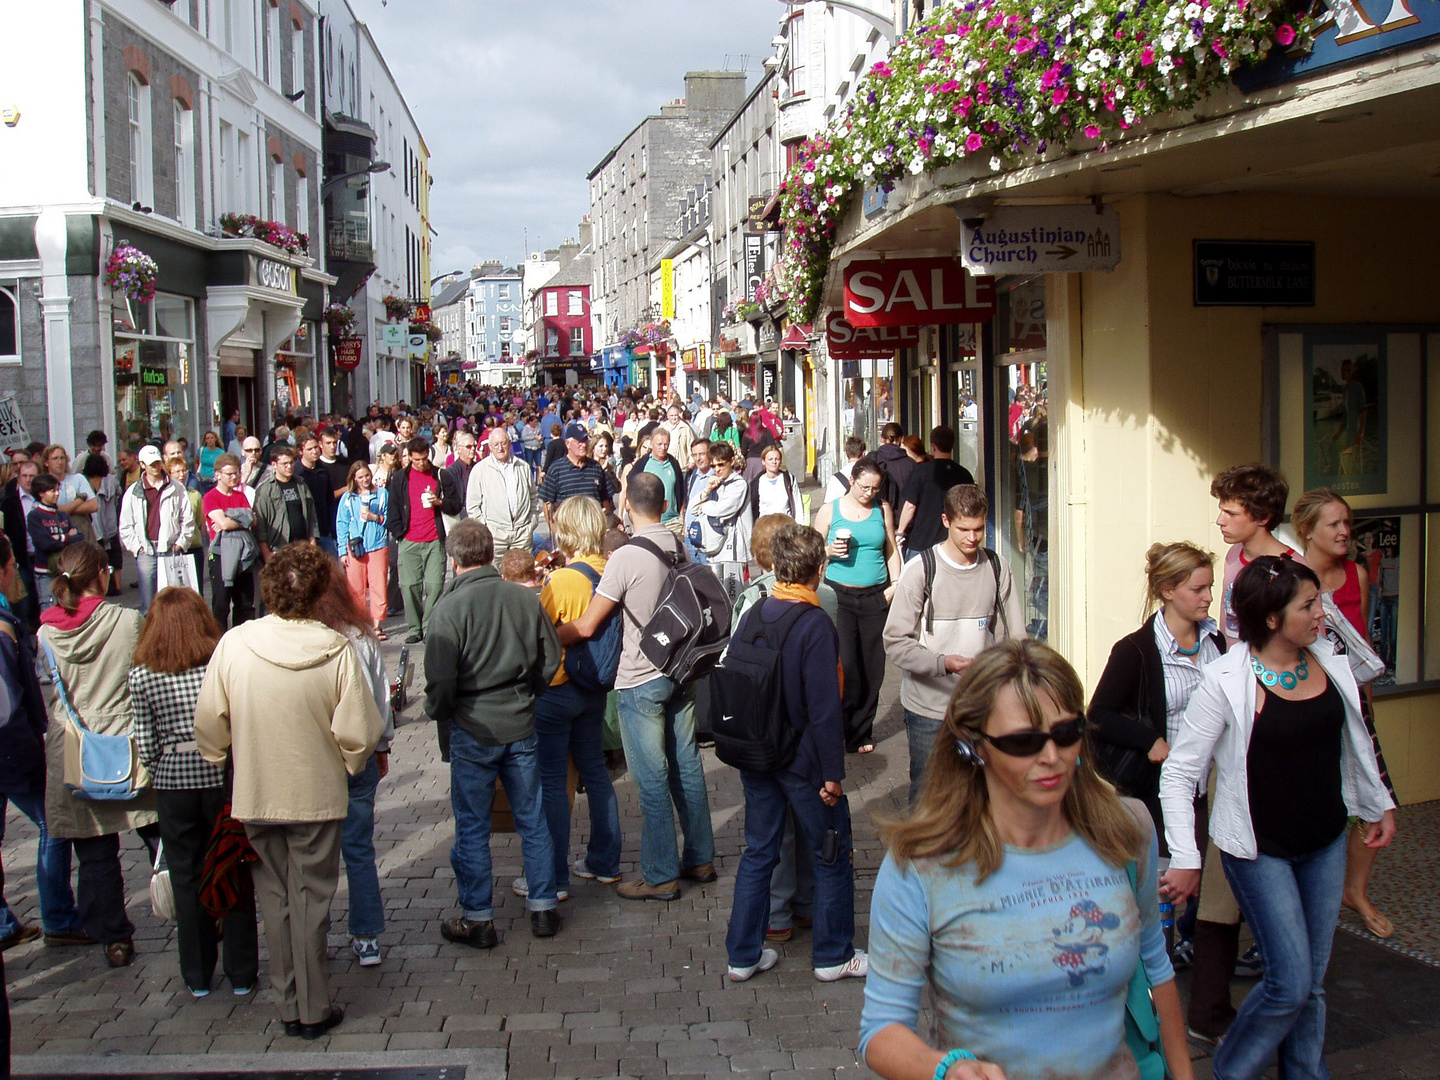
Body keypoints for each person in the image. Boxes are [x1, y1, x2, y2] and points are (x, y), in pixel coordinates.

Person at [860, 640, 1193, 1080]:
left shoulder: (1125, 830)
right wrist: (946, 1069)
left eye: (1066, 733)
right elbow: (881, 1031)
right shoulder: (919, 866)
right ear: (974, 746)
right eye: (1024, 742)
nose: (1051, 757)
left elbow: (1155, 961)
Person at [1160, 556, 1395, 1080]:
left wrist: (1378, 803)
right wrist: (1185, 855)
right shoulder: (1225, 679)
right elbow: (1179, 775)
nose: (1321, 613)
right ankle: (1232, 1070)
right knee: (1288, 982)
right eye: (1308, 604)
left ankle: (1306, 1074)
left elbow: (1356, 739)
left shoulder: (1331, 659)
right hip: (1259, 850)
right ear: (1270, 618)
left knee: (1309, 984)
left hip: (1326, 842)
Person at [195, 542, 384, 1039]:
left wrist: (223, 759)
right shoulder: (336, 648)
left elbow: (209, 726)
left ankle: (288, 1001)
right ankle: (314, 1005)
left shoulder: (235, 643)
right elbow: (359, 734)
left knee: (275, 900)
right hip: (317, 795)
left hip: (258, 793)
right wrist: (346, 762)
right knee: (311, 901)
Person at [558, 472, 716, 902]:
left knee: (651, 777)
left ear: (627, 504)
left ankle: (660, 873)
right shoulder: (678, 545)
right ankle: (700, 857)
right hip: (680, 670)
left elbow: (589, 624)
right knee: (686, 765)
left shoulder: (626, 556)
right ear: (664, 505)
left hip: (641, 677)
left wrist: (549, 635)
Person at [723, 523, 866, 984]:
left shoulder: (755, 612)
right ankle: (832, 954)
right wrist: (833, 774)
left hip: (759, 755)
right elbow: (824, 709)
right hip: (802, 762)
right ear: (820, 570)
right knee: (830, 852)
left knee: (759, 851)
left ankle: (742, 955)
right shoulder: (816, 623)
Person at [423, 521, 563, 948]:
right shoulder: (522, 598)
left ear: (454, 560)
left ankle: (478, 917)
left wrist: (443, 711)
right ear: (489, 554)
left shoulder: (449, 608)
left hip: (472, 724)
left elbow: (440, 682)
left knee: (471, 824)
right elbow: (550, 655)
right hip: (519, 720)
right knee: (531, 817)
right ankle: (543, 905)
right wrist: (528, 692)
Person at [1088, 542, 1226, 976]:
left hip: (1211, 785)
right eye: (1198, 588)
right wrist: (1149, 739)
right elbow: (1099, 716)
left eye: (1209, 587)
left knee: (1207, 879)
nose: (1207, 596)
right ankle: (1155, 970)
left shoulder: (1215, 640)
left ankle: (1192, 948)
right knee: (1165, 882)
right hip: (1160, 791)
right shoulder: (1135, 650)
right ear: (1168, 590)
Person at [129, 587, 258, 997]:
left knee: (185, 877)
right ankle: (242, 972)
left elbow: (145, 743)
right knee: (232, 867)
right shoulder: (217, 664)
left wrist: (160, 769)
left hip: (173, 781)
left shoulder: (143, 675)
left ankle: (198, 975)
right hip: (221, 775)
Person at [39, 542, 158, 968]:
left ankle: (113, 938)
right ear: (102, 575)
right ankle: (192, 910)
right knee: (159, 835)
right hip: (127, 740)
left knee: (93, 849)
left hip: (74, 746)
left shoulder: (44, 632)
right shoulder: (127, 620)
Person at [1292, 488, 1397, 941]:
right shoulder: (1293, 577)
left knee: (1377, 796)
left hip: (1353, 699)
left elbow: (1361, 647)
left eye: (1347, 523)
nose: (1344, 532)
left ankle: (1354, 891)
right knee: (1314, 795)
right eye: (1333, 524)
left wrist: (1367, 703)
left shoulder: (1356, 572)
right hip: (1308, 701)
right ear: (1307, 531)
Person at [883, 485, 1024, 803]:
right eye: (964, 529)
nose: (972, 538)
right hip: (928, 708)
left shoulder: (997, 568)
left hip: (980, 707)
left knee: (981, 794)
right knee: (927, 793)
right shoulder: (920, 570)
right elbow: (894, 642)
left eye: (978, 529)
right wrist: (942, 663)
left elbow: (1014, 639)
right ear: (946, 521)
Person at [517, 497, 624, 903]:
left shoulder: (561, 580)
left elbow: (537, 632)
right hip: (595, 685)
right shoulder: (610, 569)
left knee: (552, 782)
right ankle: (605, 861)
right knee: (594, 772)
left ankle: (554, 876)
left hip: (559, 687)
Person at [0, 533, 86, 951]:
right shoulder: (2, 629)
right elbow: (8, 707)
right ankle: (58, 916)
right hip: (11, 751)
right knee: (53, 823)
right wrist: (32, 750)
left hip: (10, 748)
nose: (16, 569)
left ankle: (4, 922)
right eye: (12, 562)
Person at [310, 559, 394, 969]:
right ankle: (367, 937)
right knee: (359, 850)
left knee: (313, 855)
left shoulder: (305, 639)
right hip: (358, 753)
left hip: (317, 758)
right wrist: (382, 744)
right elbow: (380, 698)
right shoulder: (361, 637)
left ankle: (314, 933)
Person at [813, 456, 901, 754]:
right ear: (852, 481)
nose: (870, 493)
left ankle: (861, 732)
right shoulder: (830, 510)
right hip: (840, 596)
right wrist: (828, 550)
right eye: (865, 487)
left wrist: (896, 585)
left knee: (873, 667)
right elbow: (810, 552)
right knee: (847, 666)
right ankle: (839, 726)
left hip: (876, 595)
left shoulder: (882, 509)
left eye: (876, 489)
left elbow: (891, 549)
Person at [388, 438, 462, 644]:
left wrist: (439, 502)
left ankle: (430, 626)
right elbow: (393, 507)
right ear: (409, 458)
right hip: (409, 539)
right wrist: (398, 534)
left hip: (434, 539)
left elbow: (456, 504)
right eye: (416, 460)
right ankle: (414, 627)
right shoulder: (399, 479)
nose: (421, 463)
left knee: (435, 585)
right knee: (409, 586)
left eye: (424, 459)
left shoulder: (440, 475)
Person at [119, 444, 196, 613]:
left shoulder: (176, 488)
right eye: (150, 463)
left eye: (157, 462)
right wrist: (137, 548)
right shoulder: (133, 492)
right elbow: (126, 526)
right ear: (142, 465)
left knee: (173, 603)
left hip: (170, 549)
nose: (155, 467)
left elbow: (187, 519)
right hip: (146, 552)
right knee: (148, 606)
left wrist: (181, 543)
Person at [895, 427, 975, 559]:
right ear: (953, 446)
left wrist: (900, 532)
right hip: (953, 544)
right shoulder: (964, 475)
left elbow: (910, 506)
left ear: (933, 446)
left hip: (921, 542)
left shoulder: (921, 472)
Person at [201, 454, 259, 629]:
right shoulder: (210, 497)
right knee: (221, 604)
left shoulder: (240, 496)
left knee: (245, 603)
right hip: (221, 555)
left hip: (243, 554)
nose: (234, 477)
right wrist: (240, 520)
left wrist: (232, 520)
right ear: (218, 475)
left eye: (236, 473)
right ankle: (219, 643)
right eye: (229, 474)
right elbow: (224, 523)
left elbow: (253, 520)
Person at [336, 461, 390, 637]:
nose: (365, 479)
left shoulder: (382, 494)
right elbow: (341, 524)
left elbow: (389, 518)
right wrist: (342, 552)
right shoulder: (348, 498)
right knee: (355, 588)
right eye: (360, 477)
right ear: (354, 478)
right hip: (355, 546)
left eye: (367, 475)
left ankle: (377, 625)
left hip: (377, 545)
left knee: (378, 586)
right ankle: (360, 624)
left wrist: (375, 517)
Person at [465, 428, 537, 558]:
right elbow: (473, 505)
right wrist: (485, 529)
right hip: (494, 535)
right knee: (495, 575)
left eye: (503, 443)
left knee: (522, 575)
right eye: (495, 445)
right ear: (490, 447)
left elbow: (533, 496)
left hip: (522, 533)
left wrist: (532, 522)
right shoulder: (480, 470)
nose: (500, 448)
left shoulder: (523, 467)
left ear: (509, 444)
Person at [694, 442, 751, 602]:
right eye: (714, 466)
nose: (717, 469)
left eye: (721, 464)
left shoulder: (739, 484)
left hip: (733, 553)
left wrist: (705, 506)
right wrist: (706, 489)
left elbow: (724, 509)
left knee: (733, 600)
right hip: (715, 550)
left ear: (731, 461)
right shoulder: (716, 483)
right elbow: (693, 508)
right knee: (718, 601)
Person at [538, 422, 615, 538]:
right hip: (568, 534)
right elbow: (547, 504)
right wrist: (556, 534)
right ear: (567, 444)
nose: (583, 445)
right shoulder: (556, 470)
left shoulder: (595, 467)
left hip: (593, 533)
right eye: (579, 441)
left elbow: (605, 499)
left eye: (585, 440)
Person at [26, 474, 86, 613]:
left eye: (58, 489)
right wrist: (67, 538)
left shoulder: (62, 515)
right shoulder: (35, 516)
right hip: (46, 572)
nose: (57, 494)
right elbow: (45, 543)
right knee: (50, 609)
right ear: (41, 493)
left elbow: (79, 537)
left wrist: (60, 537)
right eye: (52, 491)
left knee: (70, 608)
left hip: (65, 570)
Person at [250, 446, 317, 562]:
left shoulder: (301, 484)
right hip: (279, 549)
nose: (289, 466)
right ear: (274, 464)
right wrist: (267, 554)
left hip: (303, 548)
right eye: (284, 463)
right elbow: (260, 526)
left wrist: (313, 541)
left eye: (291, 463)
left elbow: (311, 515)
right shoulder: (266, 490)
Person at [626, 427, 685, 533]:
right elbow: (631, 487)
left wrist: (681, 516)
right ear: (652, 444)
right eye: (659, 444)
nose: (663, 447)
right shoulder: (642, 464)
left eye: (666, 444)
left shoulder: (674, 464)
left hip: (673, 523)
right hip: (648, 523)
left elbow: (681, 490)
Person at [80, 454, 124, 597]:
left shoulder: (84, 482)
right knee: (115, 557)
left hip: (95, 527)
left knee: (97, 558)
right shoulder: (111, 480)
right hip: (110, 524)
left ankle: (99, 588)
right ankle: (117, 586)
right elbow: (119, 494)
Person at [297, 436, 340, 558]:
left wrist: (332, 529)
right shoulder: (297, 473)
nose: (314, 451)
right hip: (305, 533)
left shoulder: (323, 470)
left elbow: (330, 501)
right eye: (309, 449)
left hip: (325, 530)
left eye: (316, 447)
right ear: (301, 451)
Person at [168, 457, 206, 596]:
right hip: (173, 548)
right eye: (177, 471)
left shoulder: (195, 494)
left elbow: (197, 519)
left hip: (193, 545)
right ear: (169, 474)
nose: (181, 474)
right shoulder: (167, 494)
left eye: (184, 470)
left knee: (196, 588)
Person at [749, 444, 802, 523]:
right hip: (766, 528)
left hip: (786, 527)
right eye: (770, 459)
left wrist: (800, 525)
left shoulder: (788, 479)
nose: (774, 462)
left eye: (777, 459)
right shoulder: (757, 483)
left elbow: (798, 504)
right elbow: (752, 509)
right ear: (763, 461)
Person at [822, 436, 866, 507]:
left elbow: (829, 505)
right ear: (864, 453)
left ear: (846, 454)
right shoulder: (870, 475)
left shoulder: (836, 478)